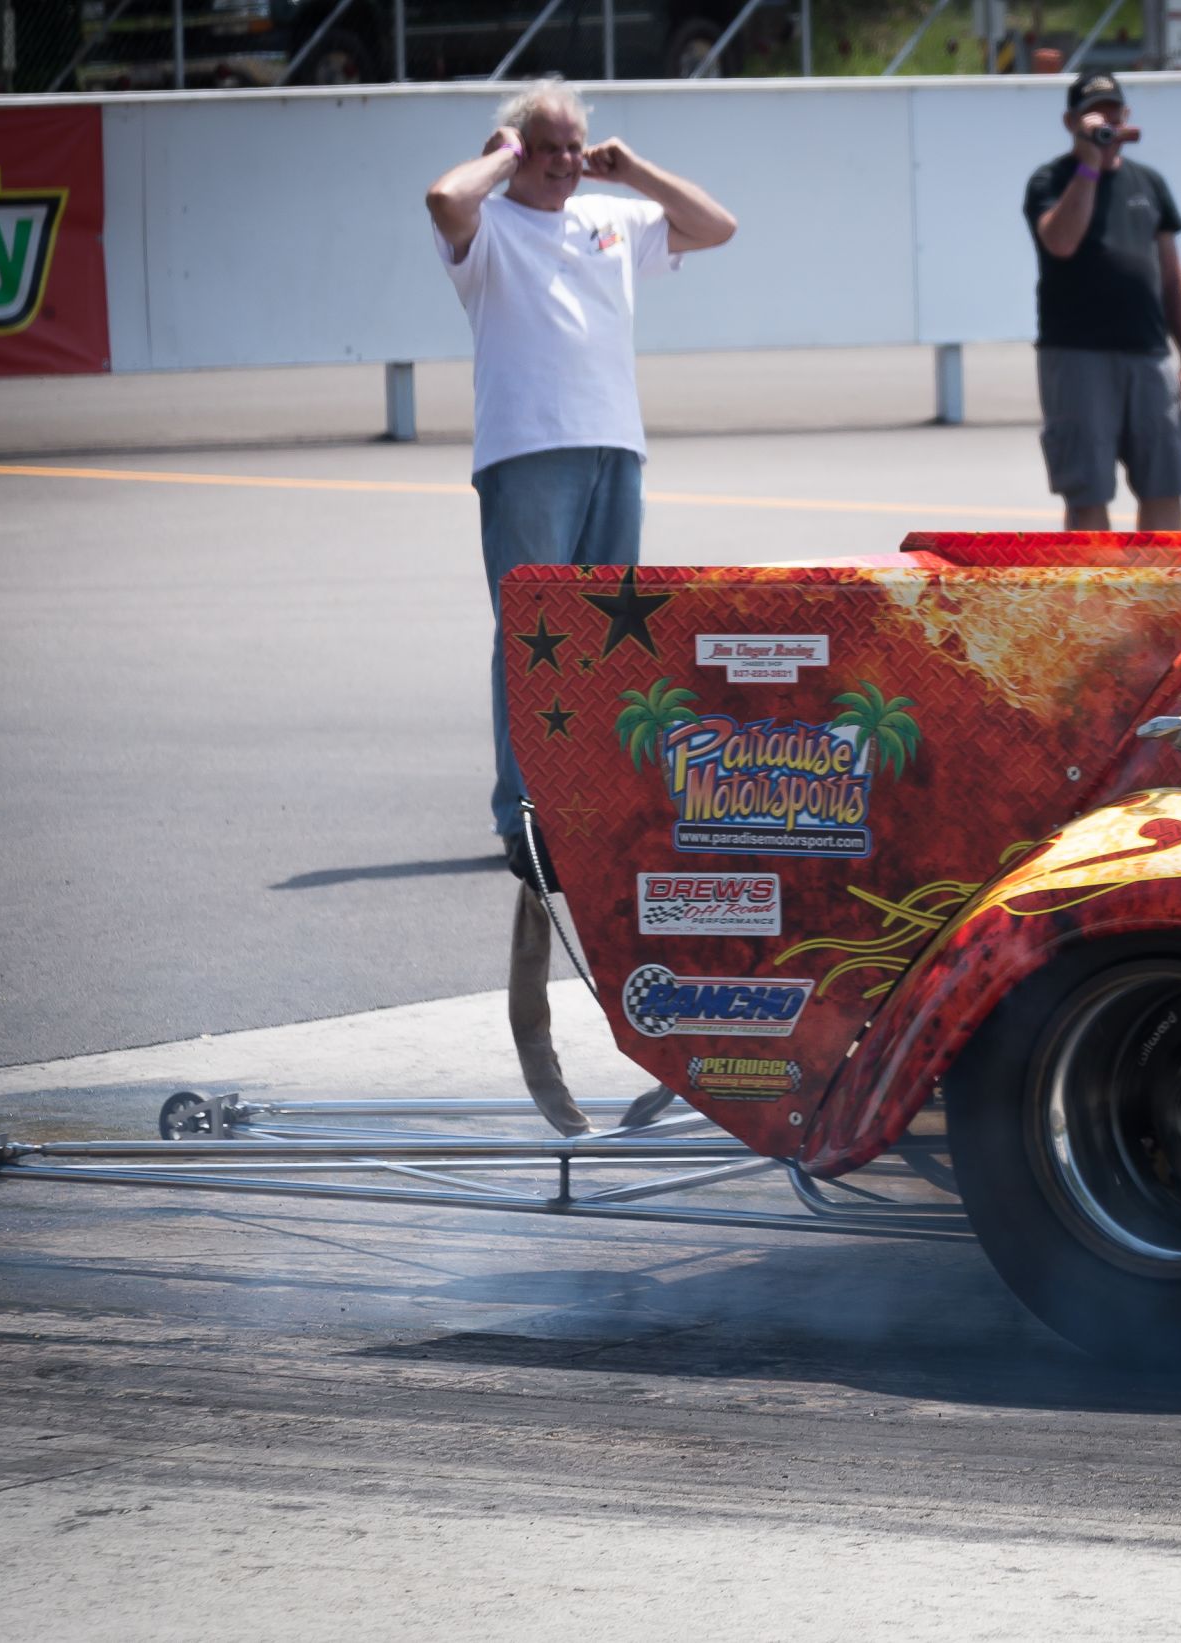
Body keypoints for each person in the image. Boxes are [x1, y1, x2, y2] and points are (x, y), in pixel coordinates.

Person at [426, 78, 733, 1135]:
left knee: (606, 642)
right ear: (516, 150)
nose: (564, 163)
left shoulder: (610, 215)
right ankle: (523, 808)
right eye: (546, 147)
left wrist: (629, 168)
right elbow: (441, 198)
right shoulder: (489, 226)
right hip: (527, 447)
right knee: (532, 634)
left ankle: (585, 791)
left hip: (613, 442)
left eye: (573, 146)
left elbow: (717, 226)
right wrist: (504, 157)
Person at [1024, 70, 1181, 531]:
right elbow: (1061, 242)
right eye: (1094, 116)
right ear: (1071, 123)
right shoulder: (1050, 180)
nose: (1107, 124)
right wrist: (1089, 166)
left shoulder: (1149, 183)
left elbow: (1173, 278)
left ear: (1127, 117)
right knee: (1087, 490)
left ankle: (1159, 581)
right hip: (1077, 356)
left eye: (1113, 114)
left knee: (1167, 482)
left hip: (1148, 354)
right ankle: (1095, 582)